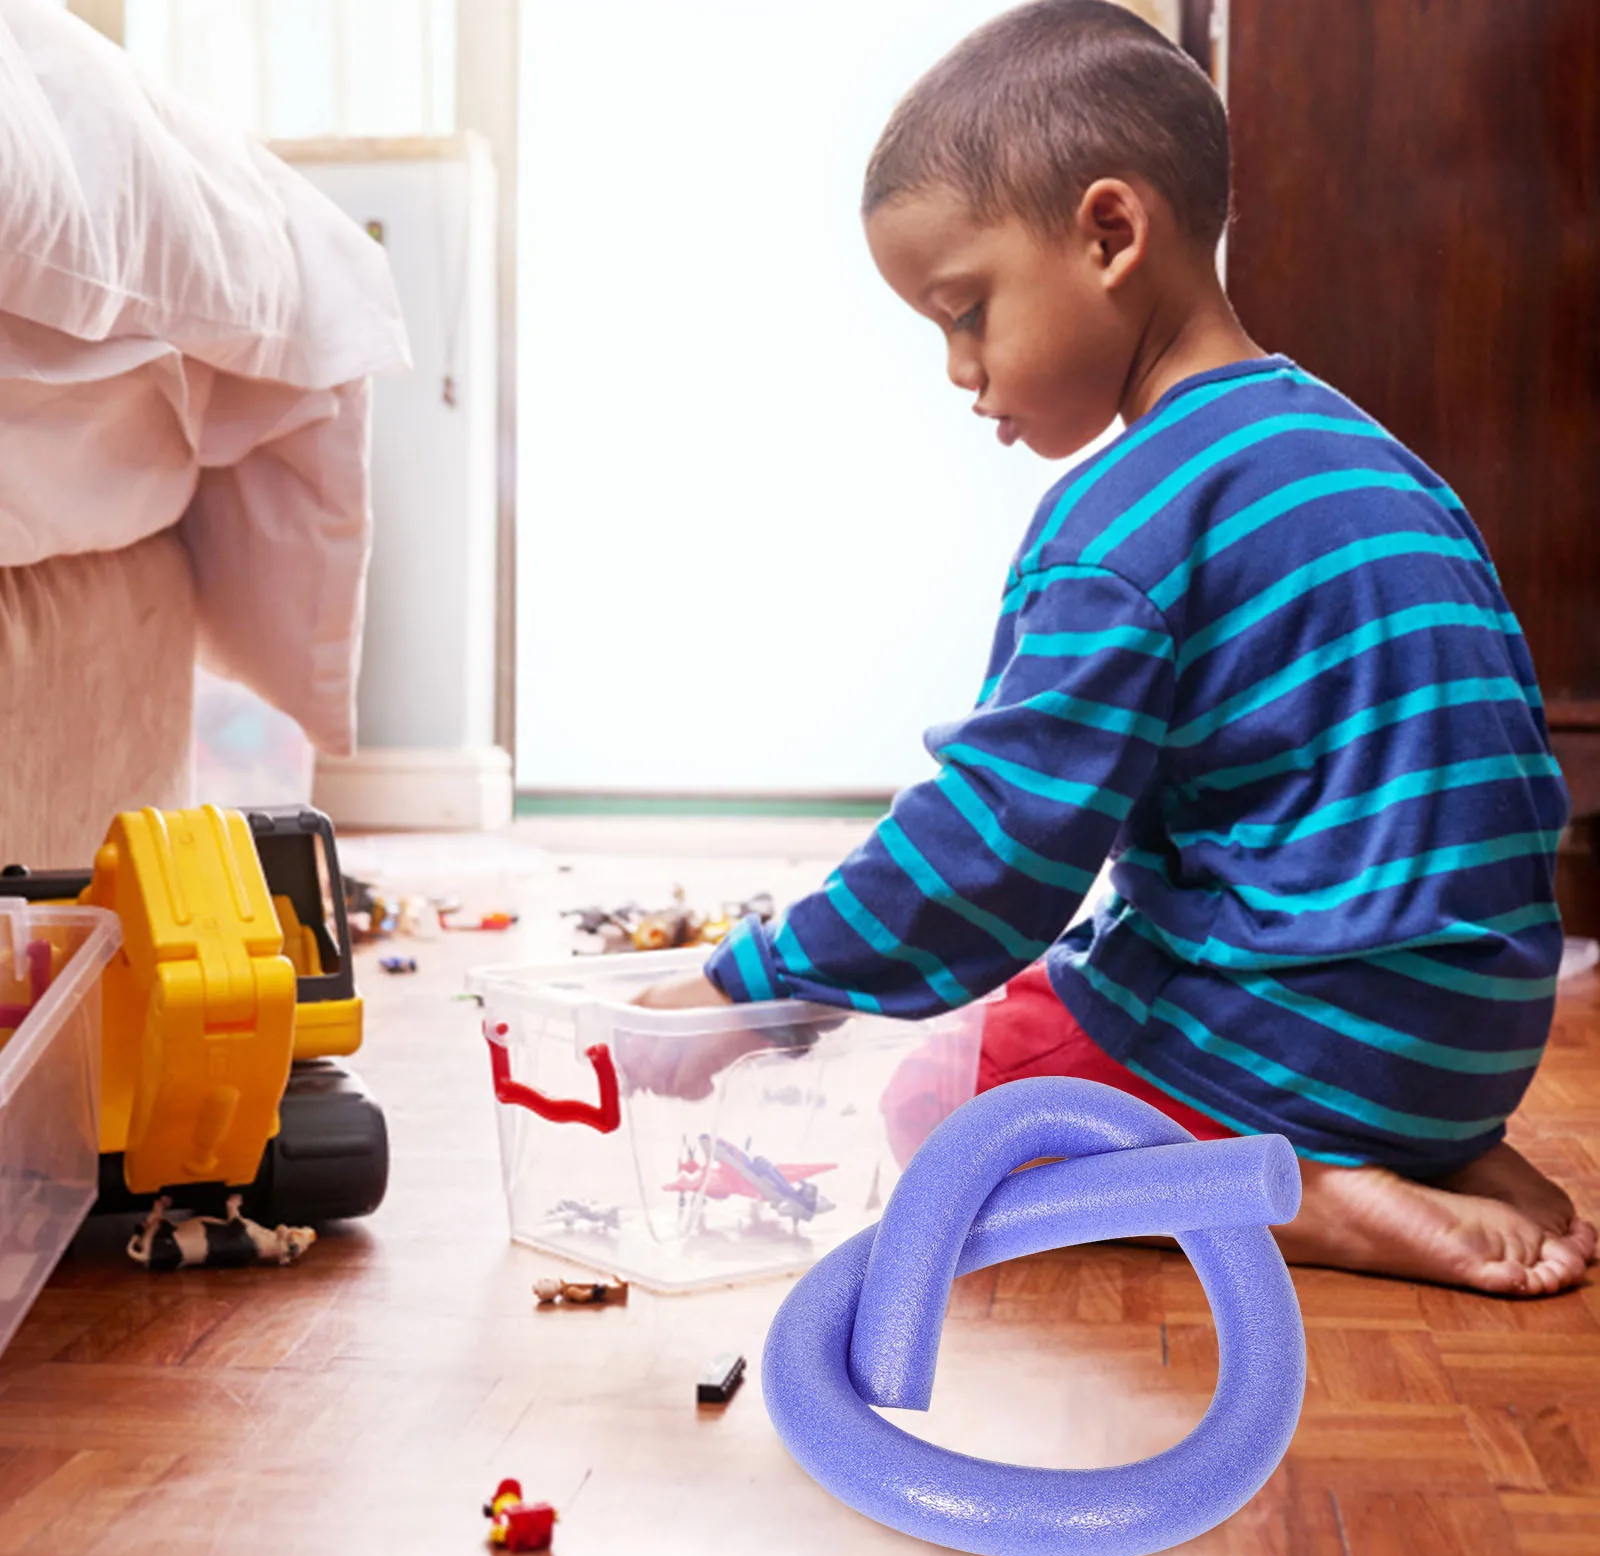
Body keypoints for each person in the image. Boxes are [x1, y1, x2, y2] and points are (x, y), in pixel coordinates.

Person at [636, 0, 1594, 1297]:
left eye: (966, 310)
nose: (960, 369)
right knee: (1070, 977)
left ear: (1108, 234)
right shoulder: (1382, 462)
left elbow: (995, 853)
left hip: (1298, 1048)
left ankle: (1307, 1198)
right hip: (1469, 1039)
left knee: (947, 1102)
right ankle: (1445, 1156)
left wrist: (754, 993)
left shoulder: (1122, 522)